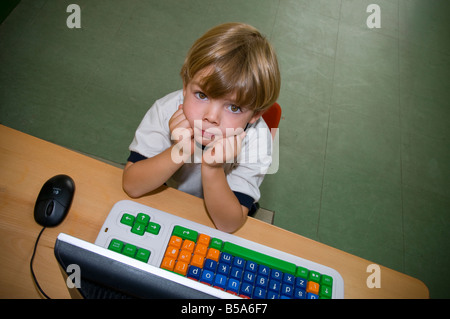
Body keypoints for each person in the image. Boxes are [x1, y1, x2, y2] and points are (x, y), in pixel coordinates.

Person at [122, 22, 280, 233]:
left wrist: (213, 169)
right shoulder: (166, 109)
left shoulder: (258, 140)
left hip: (224, 207)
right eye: (202, 95)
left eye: (234, 107)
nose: (211, 117)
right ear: (186, 85)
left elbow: (229, 224)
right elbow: (132, 185)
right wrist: (180, 150)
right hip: (164, 194)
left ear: (256, 115)